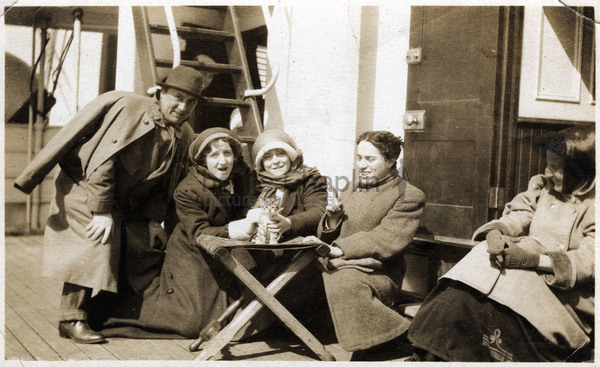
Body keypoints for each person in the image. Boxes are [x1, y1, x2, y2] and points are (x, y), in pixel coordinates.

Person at [13, 65, 207, 344]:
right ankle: (71, 318)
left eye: (190, 101)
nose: (182, 106)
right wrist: (101, 211)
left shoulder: (182, 133)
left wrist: (154, 221)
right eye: (177, 97)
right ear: (160, 93)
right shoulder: (131, 109)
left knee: (143, 244)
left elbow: (161, 183)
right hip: (83, 184)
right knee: (96, 240)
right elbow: (102, 163)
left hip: (123, 199)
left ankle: (105, 313)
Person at [408, 125, 595, 362]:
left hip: (567, 300)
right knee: (461, 290)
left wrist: (534, 260)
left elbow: (591, 257)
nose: (549, 172)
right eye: (548, 164)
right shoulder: (545, 186)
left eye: (557, 168)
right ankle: (426, 355)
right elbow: (520, 212)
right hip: (528, 278)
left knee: (480, 306)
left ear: (582, 170)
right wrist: (496, 231)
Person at [92, 128, 256, 338]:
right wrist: (240, 228)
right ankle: (110, 314)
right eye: (214, 155)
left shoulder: (239, 179)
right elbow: (199, 232)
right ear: (202, 160)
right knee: (191, 322)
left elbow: (245, 206)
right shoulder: (187, 190)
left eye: (227, 153)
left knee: (225, 314)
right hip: (191, 251)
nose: (222, 161)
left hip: (221, 247)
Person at [317, 130, 426, 361]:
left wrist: (341, 249)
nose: (362, 165)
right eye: (359, 158)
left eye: (370, 159)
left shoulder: (409, 196)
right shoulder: (352, 186)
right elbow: (327, 233)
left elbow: (385, 239)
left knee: (344, 282)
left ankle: (388, 341)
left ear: (389, 161)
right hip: (343, 261)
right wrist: (333, 218)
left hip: (380, 271)